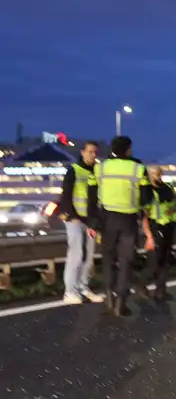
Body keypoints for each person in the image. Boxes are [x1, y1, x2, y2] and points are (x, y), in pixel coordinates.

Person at [87, 135, 153, 316]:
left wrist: (92, 218)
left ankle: (109, 296)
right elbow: (147, 197)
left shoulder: (100, 168)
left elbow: (91, 193)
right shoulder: (138, 168)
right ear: (128, 150)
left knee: (108, 258)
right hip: (128, 220)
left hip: (106, 219)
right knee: (126, 260)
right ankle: (120, 303)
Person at [56, 141, 104, 304]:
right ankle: (69, 292)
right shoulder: (74, 170)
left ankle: (83, 287)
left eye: (95, 152)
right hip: (75, 219)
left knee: (88, 256)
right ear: (82, 152)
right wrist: (70, 215)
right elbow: (66, 195)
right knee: (76, 255)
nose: (93, 155)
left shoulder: (97, 171)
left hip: (90, 221)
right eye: (90, 151)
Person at [142, 167, 176, 301]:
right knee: (155, 262)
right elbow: (144, 216)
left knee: (165, 261)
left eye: (158, 172)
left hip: (169, 226)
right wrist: (149, 236)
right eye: (153, 173)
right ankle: (140, 284)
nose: (156, 175)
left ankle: (161, 291)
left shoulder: (168, 187)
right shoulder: (148, 191)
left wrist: (173, 209)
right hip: (156, 227)